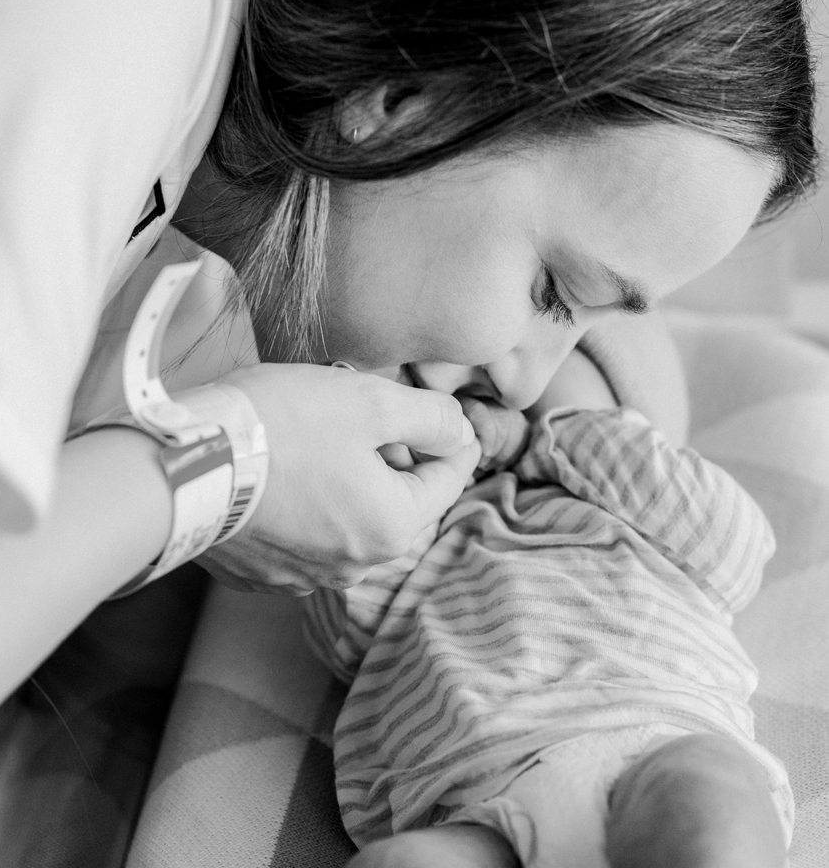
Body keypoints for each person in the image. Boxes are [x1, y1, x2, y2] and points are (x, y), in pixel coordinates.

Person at [0, 0, 817, 769]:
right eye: (554, 293)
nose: (531, 384)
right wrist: (211, 473)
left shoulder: (211, 164)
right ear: (404, 100)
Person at [304, 350, 792, 867]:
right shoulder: (443, 540)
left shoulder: (662, 526)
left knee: (708, 796)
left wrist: (540, 436)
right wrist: (380, 495)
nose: (500, 385)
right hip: (474, 790)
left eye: (560, 356)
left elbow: (731, 540)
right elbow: (351, 634)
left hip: (653, 734)